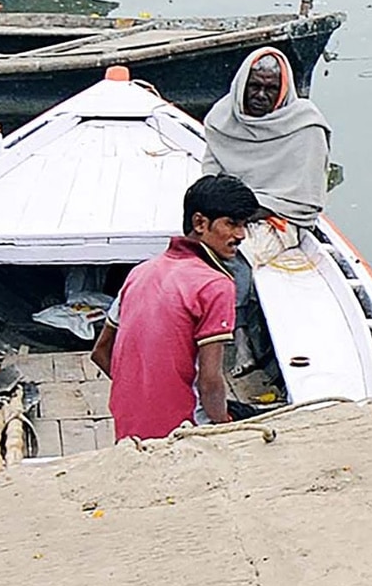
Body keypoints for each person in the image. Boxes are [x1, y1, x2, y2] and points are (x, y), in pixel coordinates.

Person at [96, 174, 260, 442]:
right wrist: (225, 427)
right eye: (231, 224)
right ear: (200, 223)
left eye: (244, 226)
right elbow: (209, 383)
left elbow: (101, 352)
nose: (240, 235)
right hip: (182, 431)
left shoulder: (140, 272)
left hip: (128, 428)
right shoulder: (215, 285)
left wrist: (146, 393)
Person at [203, 46, 331, 238]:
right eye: (255, 86)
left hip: (282, 217)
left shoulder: (306, 125)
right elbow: (210, 178)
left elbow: (305, 200)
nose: (261, 95)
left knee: (233, 252)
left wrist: (246, 215)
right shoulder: (221, 118)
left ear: (283, 90)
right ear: (242, 86)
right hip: (229, 210)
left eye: (271, 89)